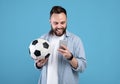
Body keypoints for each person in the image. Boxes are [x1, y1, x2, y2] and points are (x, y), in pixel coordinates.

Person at [35, 6, 87, 84]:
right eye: (56, 23)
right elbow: (38, 65)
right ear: (50, 21)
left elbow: (82, 67)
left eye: (62, 23)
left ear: (67, 21)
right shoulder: (43, 39)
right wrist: (38, 64)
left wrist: (70, 57)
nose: (59, 26)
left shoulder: (75, 40)